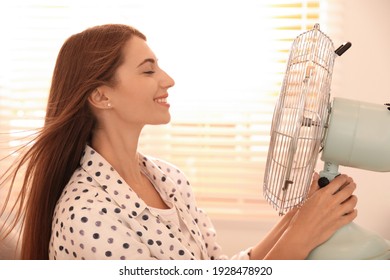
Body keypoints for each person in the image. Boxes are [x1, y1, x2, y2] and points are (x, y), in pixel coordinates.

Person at [0, 24, 358, 260]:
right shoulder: (87, 215)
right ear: (101, 96)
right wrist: (304, 236)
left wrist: (299, 217)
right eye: (148, 69)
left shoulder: (168, 179)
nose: (168, 79)